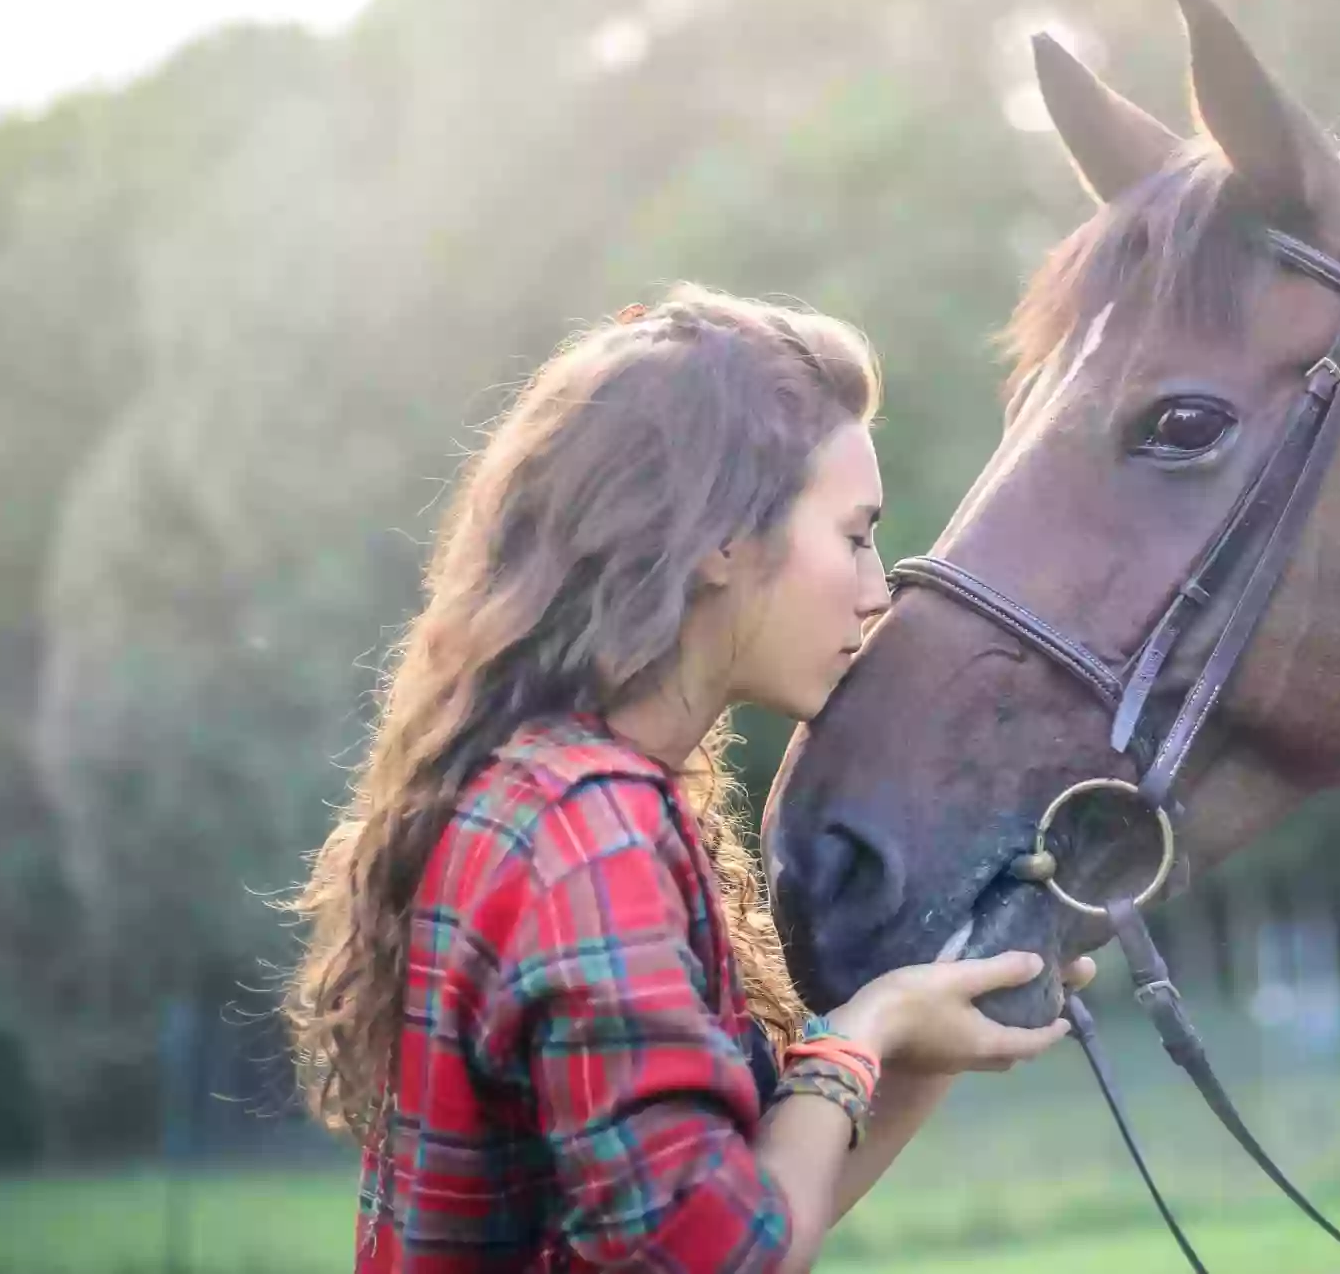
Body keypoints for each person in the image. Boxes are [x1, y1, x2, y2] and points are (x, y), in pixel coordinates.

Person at [282, 286, 1090, 1273]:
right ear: (719, 540)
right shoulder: (588, 836)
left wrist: (923, 1041)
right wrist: (865, 1031)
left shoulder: (569, 801)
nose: (878, 592)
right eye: (853, 534)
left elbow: (751, 1213)